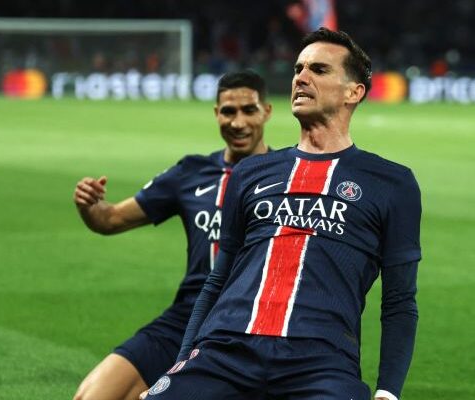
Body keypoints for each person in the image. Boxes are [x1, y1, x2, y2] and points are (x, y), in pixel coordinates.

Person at [143, 28, 421, 400]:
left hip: (321, 362)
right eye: (298, 68)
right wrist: (181, 364)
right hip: (226, 350)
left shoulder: (391, 183)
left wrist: (388, 391)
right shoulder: (250, 172)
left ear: (353, 92)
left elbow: (400, 300)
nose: (301, 77)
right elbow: (218, 279)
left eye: (319, 70)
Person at [72, 70, 273, 400]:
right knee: (91, 396)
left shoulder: (287, 175)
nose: (238, 123)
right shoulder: (192, 172)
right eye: (228, 111)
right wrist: (89, 205)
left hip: (251, 325)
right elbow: (110, 220)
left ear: (266, 111)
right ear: (216, 113)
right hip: (187, 317)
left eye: (248, 110)